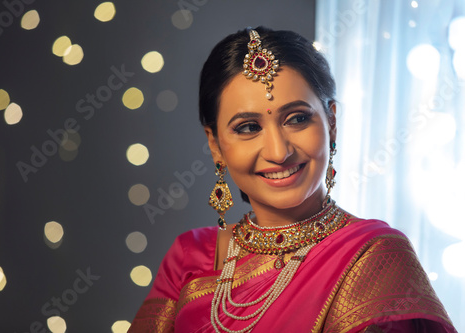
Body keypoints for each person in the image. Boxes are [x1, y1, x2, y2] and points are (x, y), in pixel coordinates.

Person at [128, 27, 457, 332]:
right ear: (215, 144)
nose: (278, 151)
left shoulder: (375, 257)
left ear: (331, 123)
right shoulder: (191, 254)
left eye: (297, 119)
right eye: (248, 127)